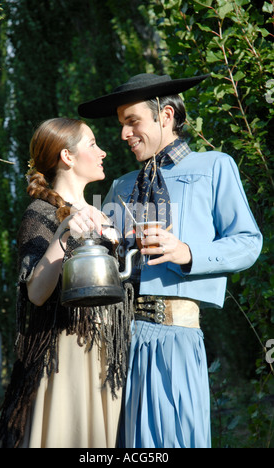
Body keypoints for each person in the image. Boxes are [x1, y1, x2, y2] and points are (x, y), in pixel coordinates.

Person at [77, 73, 263, 448]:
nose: (124, 135)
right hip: (120, 342)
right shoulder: (120, 185)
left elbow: (248, 242)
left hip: (177, 335)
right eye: (121, 126)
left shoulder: (215, 166)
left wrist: (187, 252)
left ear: (165, 115)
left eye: (132, 122)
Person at [0, 117, 134, 449]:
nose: (102, 152)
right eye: (92, 144)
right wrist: (62, 235)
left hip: (109, 356)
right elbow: (36, 294)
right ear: (67, 157)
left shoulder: (104, 215)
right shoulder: (40, 214)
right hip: (68, 357)